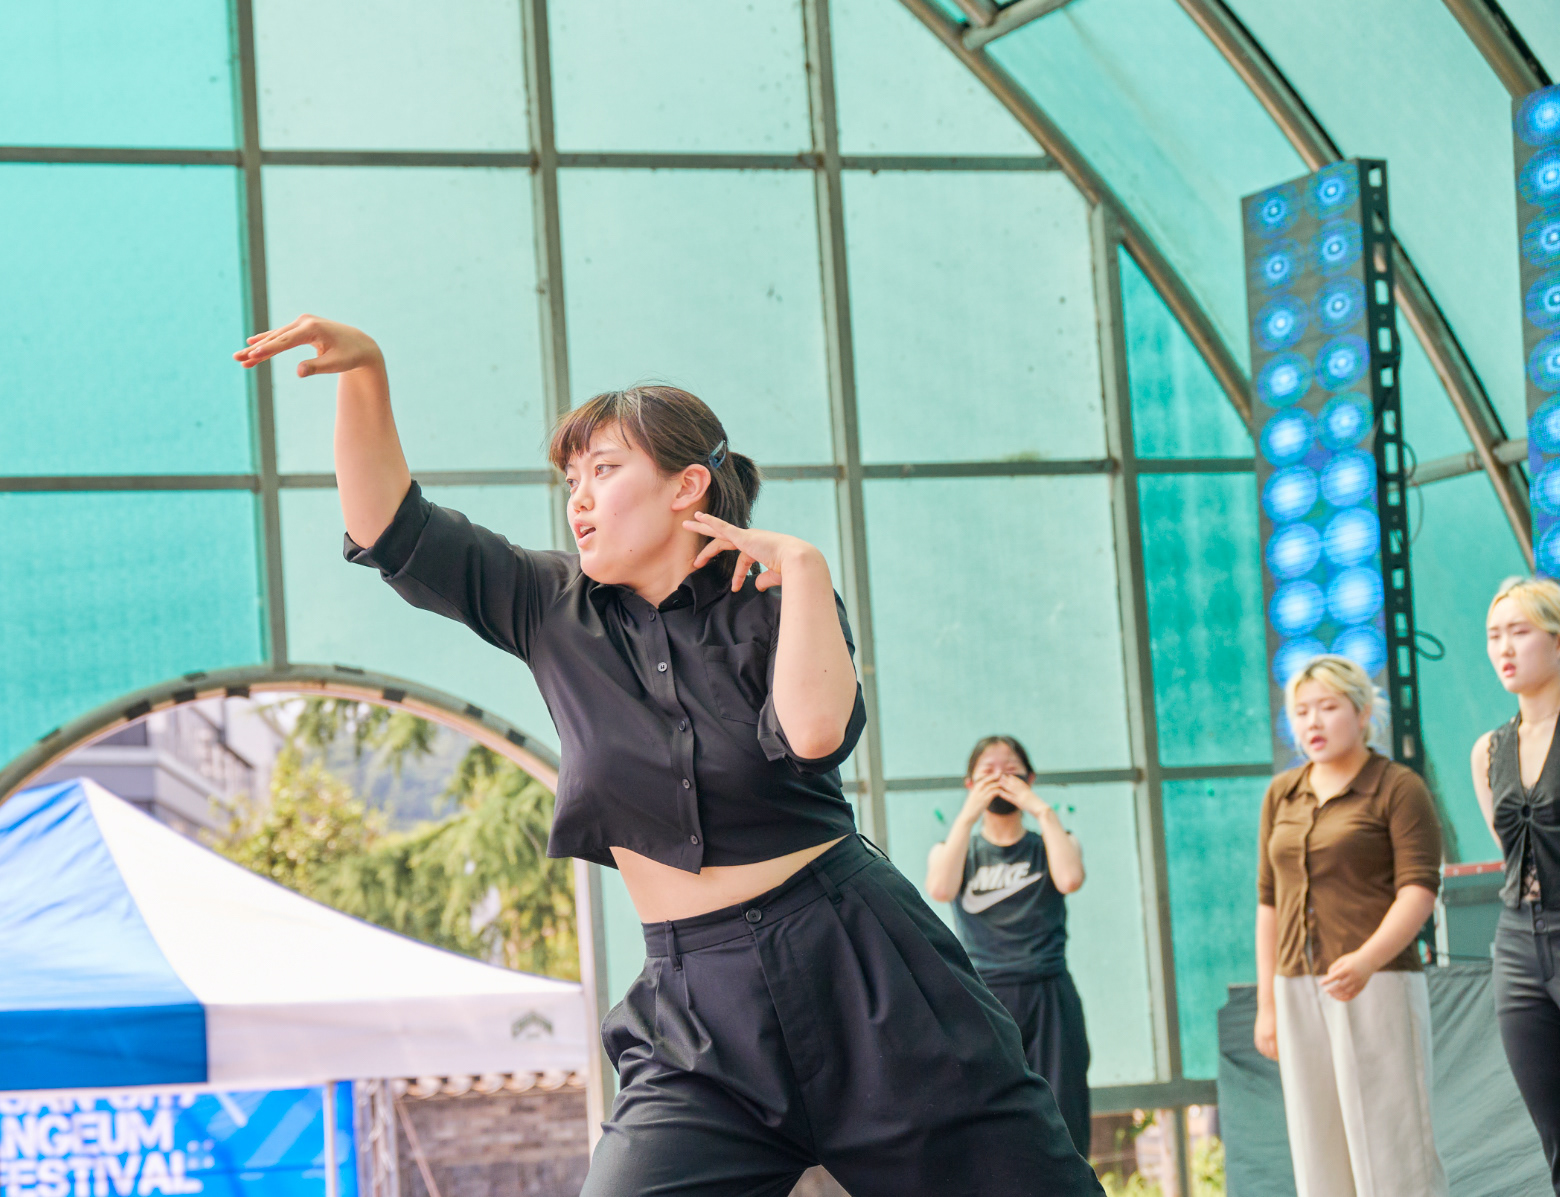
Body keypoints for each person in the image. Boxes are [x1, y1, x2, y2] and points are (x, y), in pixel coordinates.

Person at [235, 316, 1100, 1195]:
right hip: (698, 1013)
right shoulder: (546, 605)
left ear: (688, 486)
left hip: (866, 972)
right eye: (571, 479)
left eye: (604, 471)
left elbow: (814, 736)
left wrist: (805, 567)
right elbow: (391, 527)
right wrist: (366, 371)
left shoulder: (778, 597)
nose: (578, 498)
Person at [1252, 654, 1447, 1197]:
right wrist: (1268, 1003)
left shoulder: (1398, 787)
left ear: (1362, 714)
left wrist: (1366, 960)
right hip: (1295, 985)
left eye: (1328, 707)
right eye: (1300, 711)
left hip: (1378, 981)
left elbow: (1419, 889)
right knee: (1317, 1150)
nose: (1312, 722)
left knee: (1393, 1148)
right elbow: (1268, 902)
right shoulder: (1281, 793)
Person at [924, 734, 1091, 1155]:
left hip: (1049, 990)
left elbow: (1070, 878)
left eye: (1011, 771)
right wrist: (967, 817)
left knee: (1064, 1110)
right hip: (985, 995)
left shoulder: (1052, 843)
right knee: (990, 1112)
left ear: (1030, 779)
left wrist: (1042, 810)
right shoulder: (954, 851)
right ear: (969, 784)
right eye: (988, 772)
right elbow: (940, 888)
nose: (1000, 779)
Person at [1472, 576, 1560, 1195]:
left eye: (1519, 632)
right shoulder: (1488, 750)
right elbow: (1509, 853)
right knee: (1553, 1130)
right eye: (1493, 635)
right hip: (1518, 944)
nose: (1504, 648)